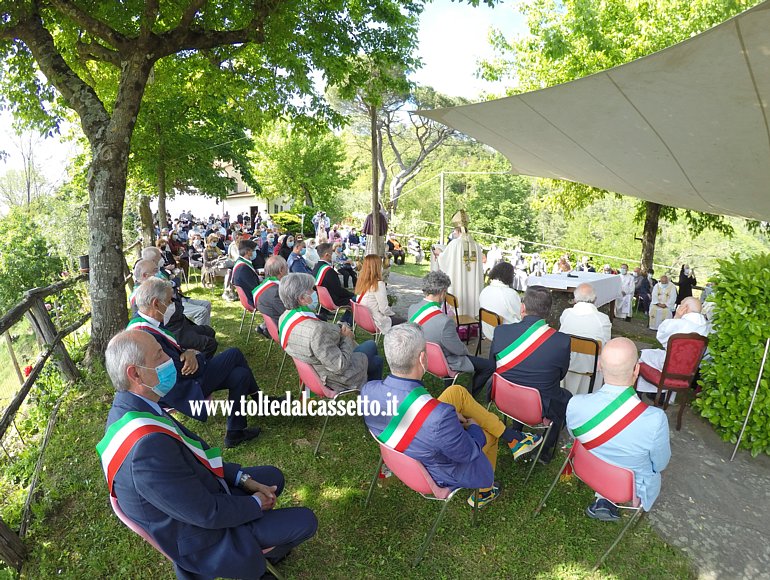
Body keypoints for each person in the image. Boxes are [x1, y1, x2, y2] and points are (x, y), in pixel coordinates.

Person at [99, 330, 317, 579]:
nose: (169, 360)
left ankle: (266, 550)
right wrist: (255, 503)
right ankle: (254, 564)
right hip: (203, 537)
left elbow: (196, 453)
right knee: (306, 521)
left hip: (199, 498)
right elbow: (207, 513)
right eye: (159, 355)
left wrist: (243, 479)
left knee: (273, 477)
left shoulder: (134, 405)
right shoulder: (145, 449)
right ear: (135, 373)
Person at [362, 325, 544, 508]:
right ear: (422, 358)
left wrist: (442, 417)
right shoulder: (439, 417)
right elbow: (469, 452)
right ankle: (485, 490)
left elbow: (419, 414)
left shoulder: (368, 391)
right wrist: (472, 426)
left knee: (455, 392)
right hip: (436, 468)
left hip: (402, 447)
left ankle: (512, 438)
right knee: (488, 436)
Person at [130, 277, 262, 448]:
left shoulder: (146, 322)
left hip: (182, 381)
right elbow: (185, 369)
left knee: (240, 375)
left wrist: (188, 351)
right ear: (156, 303)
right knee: (234, 354)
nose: (172, 304)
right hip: (181, 389)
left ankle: (235, 432)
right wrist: (196, 355)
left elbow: (175, 351)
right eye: (169, 300)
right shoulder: (145, 335)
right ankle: (260, 400)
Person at [566, 337, 671, 520]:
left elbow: (576, 437)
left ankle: (603, 498)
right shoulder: (655, 420)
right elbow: (660, 464)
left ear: (599, 365)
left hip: (585, 468)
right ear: (637, 369)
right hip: (627, 487)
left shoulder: (575, 404)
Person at [490, 286, 571, 464]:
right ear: (548, 312)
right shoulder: (562, 341)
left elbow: (492, 365)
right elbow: (561, 375)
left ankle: (516, 431)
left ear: (522, 307)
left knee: (517, 379)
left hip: (503, 398)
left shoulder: (501, 332)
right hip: (536, 407)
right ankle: (544, 449)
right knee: (567, 399)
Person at [278, 273, 383, 390]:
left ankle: (372, 390)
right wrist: (347, 337)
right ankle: (372, 395)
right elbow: (339, 366)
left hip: (317, 367)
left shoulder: (285, 317)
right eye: (312, 290)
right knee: (372, 347)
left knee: (376, 361)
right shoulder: (316, 330)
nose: (315, 293)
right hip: (336, 377)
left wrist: (338, 329)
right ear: (302, 299)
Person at [409, 271, 495, 395]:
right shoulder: (444, 321)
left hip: (423, 356)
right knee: (488, 366)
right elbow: (458, 350)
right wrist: (467, 351)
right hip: (443, 362)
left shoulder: (413, 309)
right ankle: (469, 396)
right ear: (443, 292)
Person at [132, 259, 218, 358]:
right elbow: (154, 323)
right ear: (145, 275)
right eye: (155, 270)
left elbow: (174, 300)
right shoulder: (140, 296)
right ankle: (200, 366)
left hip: (180, 324)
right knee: (210, 344)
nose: (159, 273)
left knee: (209, 331)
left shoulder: (154, 287)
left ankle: (201, 360)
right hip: (173, 331)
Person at [637, 297, 710, 399]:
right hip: (689, 370)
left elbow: (661, 336)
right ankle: (661, 396)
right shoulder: (706, 327)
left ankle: (641, 392)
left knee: (643, 355)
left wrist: (676, 316)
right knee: (660, 357)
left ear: (685, 307)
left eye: (681, 304)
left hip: (668, 365)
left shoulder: (679, 323)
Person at [559, 283, 612, 396]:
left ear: (575, 299)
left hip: (566, 367)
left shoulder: (566, 314)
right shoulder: (603, 320)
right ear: (595, 299)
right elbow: (606, 346)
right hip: (590, 371)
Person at [437, 210, 484, 318]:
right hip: (473, 285)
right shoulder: (476, 246)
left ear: (456, 230)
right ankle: (471, 323)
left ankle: (459, 324)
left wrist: (439, 254)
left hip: (458, 283)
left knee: (458, 300)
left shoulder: (455, 244)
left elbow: (445, 262)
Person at [354, 255, 405, 334]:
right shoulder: (378, 284)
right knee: (405, 322)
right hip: (375, 322)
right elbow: (384, 309)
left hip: (363, 320)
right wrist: (393, 314)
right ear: (377, 267)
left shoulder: (362, 282)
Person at [478, 261, 522, 340]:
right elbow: (520, 315)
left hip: (488, 331)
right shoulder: (510, 293)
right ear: (509, 276)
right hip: (504, 334)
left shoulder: (484, 290)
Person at [314, 242, 354, 325]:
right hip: (333, 300)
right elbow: (338, 290)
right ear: (327, 255)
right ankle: (345, 322)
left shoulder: (316, 267)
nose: (333, 255)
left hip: (323, 299)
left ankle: (343, 321)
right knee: (356, 300)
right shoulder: (329, 271)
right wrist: (352, 294)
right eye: (331, 253)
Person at [255, 255, 288, 332]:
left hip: (273, 324)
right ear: (281, 270)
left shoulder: (264, 286)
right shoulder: (277, 292)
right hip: (282, 328)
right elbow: (289, 314)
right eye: (286, 266)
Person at [232, 240, 261, 306]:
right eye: (254, 250)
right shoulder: (243, 268)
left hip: (250, 295)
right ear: (248, 252)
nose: (255, 253)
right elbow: (255, 288)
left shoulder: (240, 262)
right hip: (252, 299)